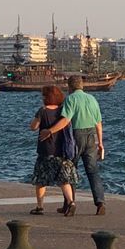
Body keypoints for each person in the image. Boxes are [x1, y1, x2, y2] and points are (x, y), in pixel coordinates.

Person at [38, 75, 105, 215]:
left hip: (76, 136)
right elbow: (98, 123)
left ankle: (69, 204)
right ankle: (100, 202)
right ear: (82, 86)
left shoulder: (70, 99)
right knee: (92, 171)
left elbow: (65, 120)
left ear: (69, 87)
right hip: (92, 136)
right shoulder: (92, 99)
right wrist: (101, 143)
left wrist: (50, 131)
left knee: (69, 170)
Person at [28, 84, 78, 216]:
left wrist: (37, 119)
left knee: (40, 180)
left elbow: (33, 127)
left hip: (45, 150)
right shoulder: (63, 111)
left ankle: (40, 206)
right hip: (61, 150)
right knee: (63, 180)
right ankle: (71, 202)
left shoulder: (42, 111)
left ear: (46, 97)